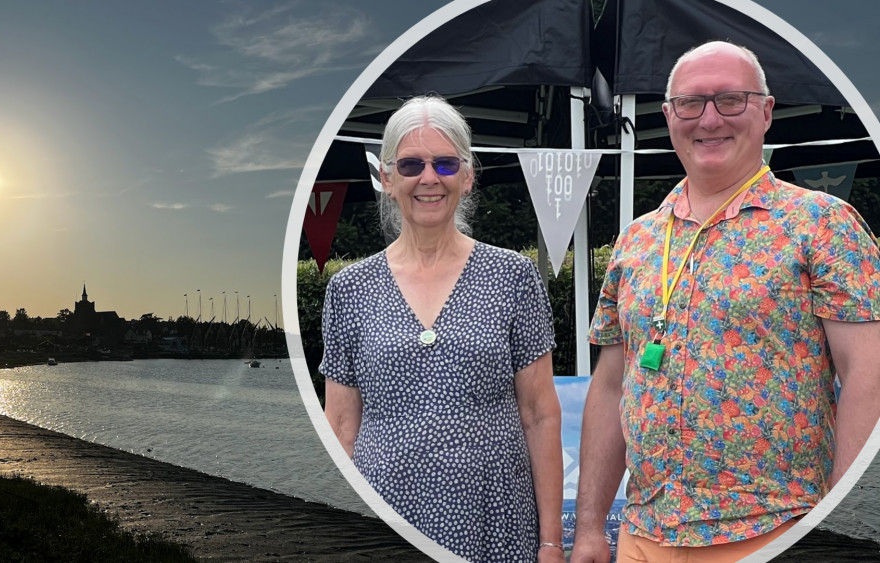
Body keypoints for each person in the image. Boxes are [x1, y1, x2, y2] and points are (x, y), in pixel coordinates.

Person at [571, 41, 880, 562]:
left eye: (731, 100)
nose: (709, 119)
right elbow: (609, 387)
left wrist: (839, 529)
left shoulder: (821, 225)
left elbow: (868, 376)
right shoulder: (637, 241)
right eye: (691, 103)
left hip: (774, 533)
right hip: (645, 535)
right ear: (669, 116)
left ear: (766, 111)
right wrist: (588, 529)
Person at [319, 95, 565, 563]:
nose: (428, 178)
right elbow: (341, 425)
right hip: (385, 514)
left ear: (468, 177)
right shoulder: (348, 289)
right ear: (387, 179)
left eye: (446, 164)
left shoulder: (513, 276)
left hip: (497, 519)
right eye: (411, 164)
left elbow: (540, 414)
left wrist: (551, 542)